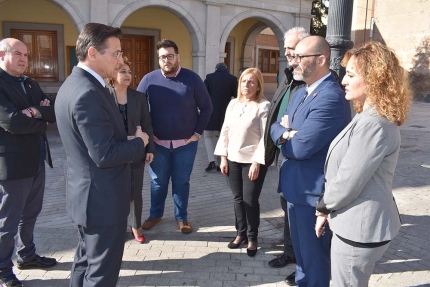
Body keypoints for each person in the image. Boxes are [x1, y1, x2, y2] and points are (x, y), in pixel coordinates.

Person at [55, 23, 148, 287]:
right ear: (93, 53)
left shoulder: (75, 84)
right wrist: (139, 142)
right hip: (101, 201)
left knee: (84, 263)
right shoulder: (88, 93)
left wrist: (124, 139)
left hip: (90, 199)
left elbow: (93, 143)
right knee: (101, 275)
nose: (120, 60)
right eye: (116, 53)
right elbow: (104, 154)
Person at [315, 41, 411, 286]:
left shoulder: (374, 122)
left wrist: (323, 206)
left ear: (374, 78)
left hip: (358, 228)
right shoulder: (370, 115)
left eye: (350, 74)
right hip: (359, 223)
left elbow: (349, 180)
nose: (343, 81)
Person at [270, 36, 350, 287]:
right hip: (295, 190)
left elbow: (301, 147)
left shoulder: (330, 97)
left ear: (321, 59)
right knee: (302, 259)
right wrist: (285, 134)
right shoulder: (301, 92)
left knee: (314, 262)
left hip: (313, 196)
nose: (292, 63)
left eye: (299, 57)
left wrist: (288, 137)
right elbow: (275, 125)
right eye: (292, 57)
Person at [137, 39, 212, 234]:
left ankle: (182, 217)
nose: (167, 60)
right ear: (158, 59)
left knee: (181, 181)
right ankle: (155, 214)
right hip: (157, 144)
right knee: (158, 181)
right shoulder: (148, 80)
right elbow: (138, 110)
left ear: (177, 57)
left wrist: (197, 134)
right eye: (163, 57)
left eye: (170, 56)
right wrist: (144, 136)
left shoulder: (193, 79)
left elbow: (207, 107)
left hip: (185, 144)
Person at [0, 38, 57, 287]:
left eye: (26, 54)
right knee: (8, 222)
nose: (24, 59)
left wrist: (34, 112)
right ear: (2, 55)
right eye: (17, 54)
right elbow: (12, 122)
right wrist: (39, 114)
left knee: (30, 215)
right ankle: (3, 270)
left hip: (37, 160)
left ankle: (27, 255)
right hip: (12, 166)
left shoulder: (31, 83)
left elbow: (52, 112)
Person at [263, 27, 308, 285]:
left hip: (302, 158)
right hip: (284, 152)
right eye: (287, 51)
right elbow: (277, 119)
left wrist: (284, 130)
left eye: (293, 51)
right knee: (286, 206)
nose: (288, 56)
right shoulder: (290, 76)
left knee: (301, 212)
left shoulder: (316, 81)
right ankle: (291, 252)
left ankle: (305, 263)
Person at [214, 68, 270, 257]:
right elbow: (225, 130)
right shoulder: (233, 104)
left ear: (258, 85)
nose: (246, 85)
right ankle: (241, 234)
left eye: (251, 82)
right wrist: (223, 157)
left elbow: (265, 137)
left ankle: (253, 238)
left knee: (250, 201)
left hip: (252, 162)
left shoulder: (263, 106)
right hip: (232, 159)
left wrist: (257, 162)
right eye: (244, 81)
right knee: (238, 199)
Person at [107, 57, 155, 244]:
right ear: (113, 73)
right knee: (113, 190)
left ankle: (136, 225)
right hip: (113, 151)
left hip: (137, 151)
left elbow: (147, 124)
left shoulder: (139, 97)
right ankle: (115, 225)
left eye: (129, 72)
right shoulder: (103, 96)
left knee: (135, 190)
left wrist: (150, 148)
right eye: (122, 71)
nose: (128, 75)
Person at [203, 62, 237, 172]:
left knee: (208, 135)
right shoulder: (232, 79)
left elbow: (203, 94)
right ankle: (222, 161)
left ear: (216, 69)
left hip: (210, 111)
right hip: (226, 112)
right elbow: (236, 95)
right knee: (223, 136)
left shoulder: (209, 77)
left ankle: (212, 161)